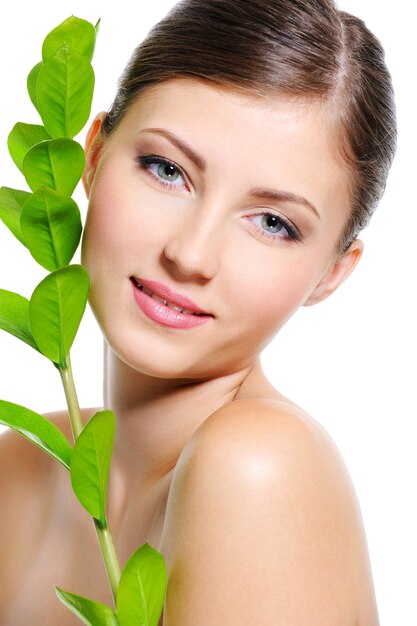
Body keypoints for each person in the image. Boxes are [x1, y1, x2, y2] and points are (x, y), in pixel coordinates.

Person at [0, 0, 396, 624]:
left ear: (333, 272)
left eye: (273, 223)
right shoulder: (19, 467)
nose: (189, 255)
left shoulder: (257, 466)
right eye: (167, 170)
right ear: (94, 157)